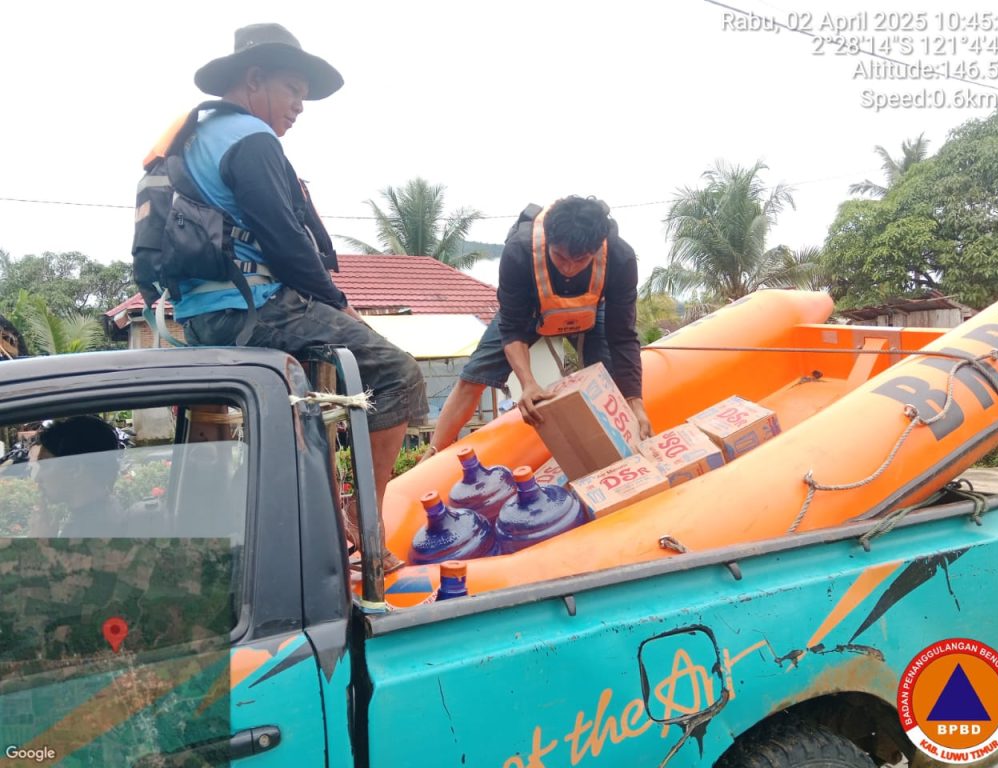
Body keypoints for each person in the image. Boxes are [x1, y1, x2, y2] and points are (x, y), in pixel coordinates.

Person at [166, 24, 426, 572]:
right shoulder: (250, 139)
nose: (298, 107)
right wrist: (337, 301)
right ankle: (365, 537)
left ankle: (317, 527)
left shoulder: (197, 138)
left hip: (203, 315)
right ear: (254, 79)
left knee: (312, 410)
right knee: (398, 372)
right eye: (292, 90)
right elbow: (285, 241)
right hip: (253, 310)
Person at [423, 196, 651, 459]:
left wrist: (636, 401)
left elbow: (622, 336)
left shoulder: (621, 258)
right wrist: (528, 383)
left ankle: (623, 451)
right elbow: (511, 327)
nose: (569, 268)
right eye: (560, 257)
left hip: (590, 309)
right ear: (548, 240)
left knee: (610, 381)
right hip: (530, 311)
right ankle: (431, 454)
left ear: (598, 248)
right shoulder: (519, 251)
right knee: (474, 376)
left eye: (581, 260)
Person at [29, 416, 123, 537]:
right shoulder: (98, 515)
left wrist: (40, 542)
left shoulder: (92, 532)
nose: (38, 478)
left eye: (45, 466)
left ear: (75, 470)